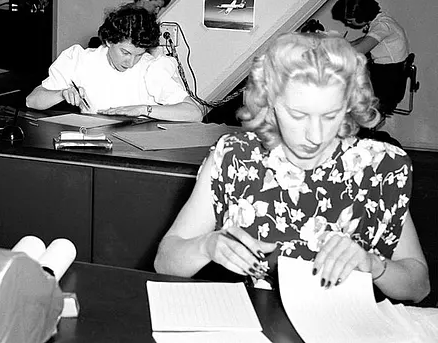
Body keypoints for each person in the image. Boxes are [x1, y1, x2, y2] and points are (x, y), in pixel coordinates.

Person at [154, 33, 429, 303]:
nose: (316, 135)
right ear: (269, 105)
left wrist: (373, 264)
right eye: (298, 115)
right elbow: (166, 263)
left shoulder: (379, 168)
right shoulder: (235, 158)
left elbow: (419, 287)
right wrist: (207, 246)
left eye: (331, 115)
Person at [27, 4, 202, 122]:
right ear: (109, 41)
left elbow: (194, 113)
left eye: (139, 55)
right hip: (93, 144)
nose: (131, 62)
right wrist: (62, 94)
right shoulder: (80, 60)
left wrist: (142, 109)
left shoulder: (152, 68)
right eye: (125, 52)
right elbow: (32, 101)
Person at [331, 0, 409, 115]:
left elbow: (360, 50)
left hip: (387, 85)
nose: (348, 24)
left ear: (361, 16)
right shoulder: (383, 21)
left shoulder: (382, 27)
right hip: (389, 78)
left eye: (350, 21)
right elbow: (365, 40)